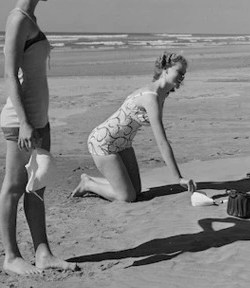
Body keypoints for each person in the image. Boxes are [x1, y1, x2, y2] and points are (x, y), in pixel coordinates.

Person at [0, 0, 78, 275]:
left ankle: (43, 253)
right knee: (15, 187)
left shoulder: (30, 19)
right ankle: (11, 257)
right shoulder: (17, 19)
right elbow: (8, 74)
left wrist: (38, 120)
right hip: (21, 121)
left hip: (38, 118)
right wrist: (26, 123)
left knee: (37, 186)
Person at [72, 52, 196, 202]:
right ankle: (88, 184)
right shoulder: (151, 97)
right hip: (103, 142)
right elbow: (162, 142)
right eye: (179, 72)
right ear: (166, 69)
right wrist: (179, 178)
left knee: (136, 191)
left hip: (123, 144)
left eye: (184, 74)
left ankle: (91, 180)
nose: (182, 77)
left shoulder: (163, 93)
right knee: (127, 196)